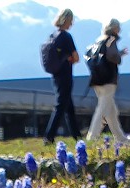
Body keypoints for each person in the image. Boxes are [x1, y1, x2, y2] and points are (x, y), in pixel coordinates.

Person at [85, 18, 128, 142]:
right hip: (108, 80)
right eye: (118, 27)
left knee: (111, 111)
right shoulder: (111, 39)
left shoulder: (98, 41)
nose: (120, 29)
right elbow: (113, 56)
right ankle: (92, 136)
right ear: (114, 28)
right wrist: (120, 55)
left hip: (97, 80)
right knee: (102, 108)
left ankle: (121, 138)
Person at [41, 9, 80, 143]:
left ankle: (77, 136)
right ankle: (49, 136)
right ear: (67, 20)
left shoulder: (52, 35)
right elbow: (76, 57)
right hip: (65, 75)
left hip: (55, 75)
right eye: (71, 20)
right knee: (61, 106)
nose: (72, 23)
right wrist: (70, 59)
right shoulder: (66, 36)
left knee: (69, 108)